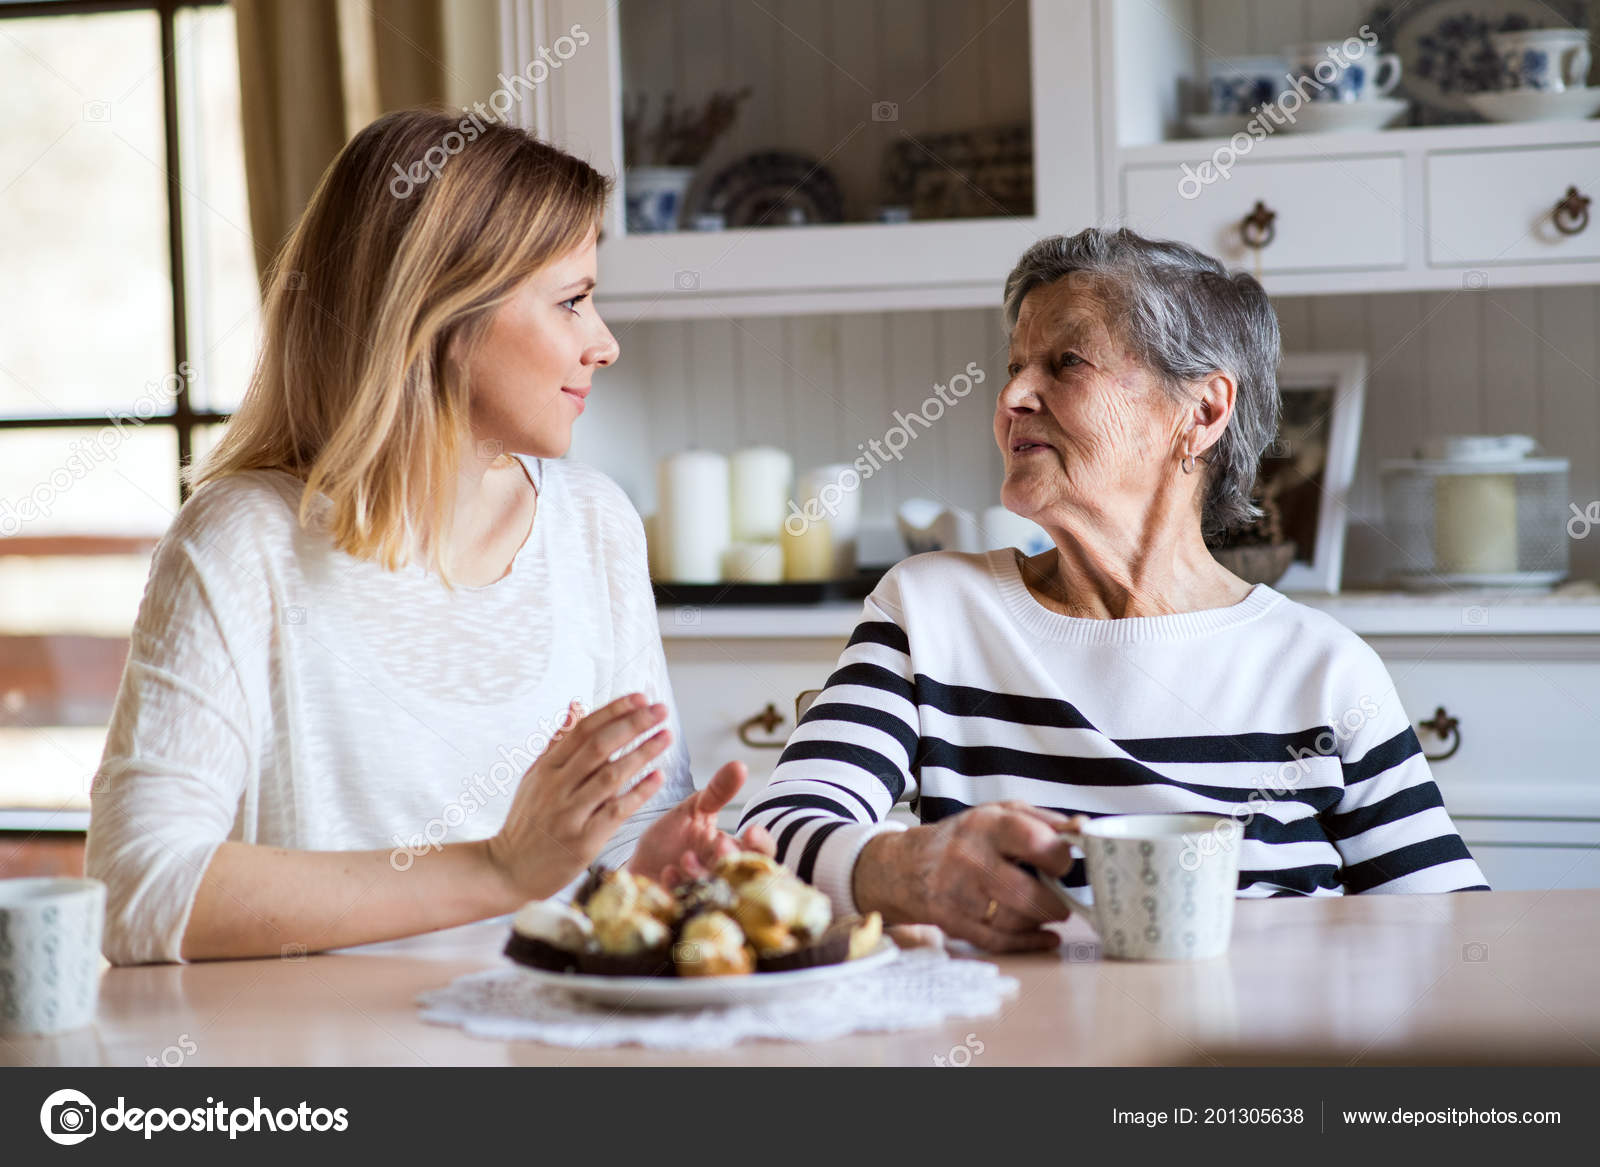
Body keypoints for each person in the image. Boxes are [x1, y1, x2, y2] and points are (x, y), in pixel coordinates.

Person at [86, 108, 767, 965]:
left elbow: (608, 853)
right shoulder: (240, 541)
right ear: (441, 317)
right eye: (572, 302)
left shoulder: (596, 524)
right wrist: (496, 869)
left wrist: (655, 864)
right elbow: (135, 888)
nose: (604, 343)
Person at [738, 227, 1488, 953]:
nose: (1012, 399)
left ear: (1202, 412)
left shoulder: (1321, 667)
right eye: (1014, 368)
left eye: (1065, 363)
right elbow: (768, 841)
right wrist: (906, 867)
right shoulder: (931, 611)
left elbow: (1452, 937)